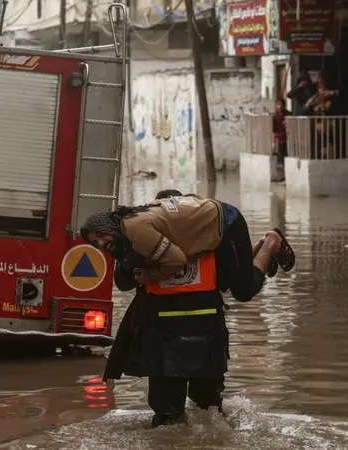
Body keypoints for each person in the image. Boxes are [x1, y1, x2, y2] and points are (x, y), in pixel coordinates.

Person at [100, 190, 284, 427]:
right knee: (209, 416)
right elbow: (231, 280)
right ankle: (266, 244)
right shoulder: (212, 240)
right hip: (207, 338)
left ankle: (268, 244)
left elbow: (123, 283)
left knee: (168, 420)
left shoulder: (143, 242)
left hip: (162, 342)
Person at [80, 193, 293, 304]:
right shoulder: (126, 223)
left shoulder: (136, 231)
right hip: (209, 223)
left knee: (244, 290)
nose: (100, 244)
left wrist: (151, 275)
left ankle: (270, 243)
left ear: (109, 226)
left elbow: (177, 260)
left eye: (100, 236)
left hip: (225, 224)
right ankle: (255, 251)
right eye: (95, 243)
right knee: (225, 281)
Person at [272, 98, 289, 168]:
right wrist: (273, 142)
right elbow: (273, 130)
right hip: (279, 139)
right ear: (276, 106)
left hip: (288, 138)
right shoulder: (275, 116)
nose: (280, 106)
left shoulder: (288, 114)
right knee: (280, 154)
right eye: (278, 104)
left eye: (281, 104)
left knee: (286, 154)